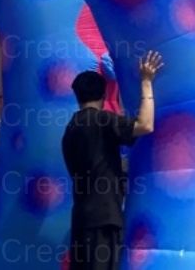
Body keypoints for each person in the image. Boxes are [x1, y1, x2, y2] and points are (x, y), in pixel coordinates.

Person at [62, 51, 164, 270]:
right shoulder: (102, 121)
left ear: (77, 96)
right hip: (104, 216)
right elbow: (145, 125)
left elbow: (96, 159)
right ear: (103, 94)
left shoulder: (71, 128)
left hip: (81, 217)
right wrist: (146, 81)